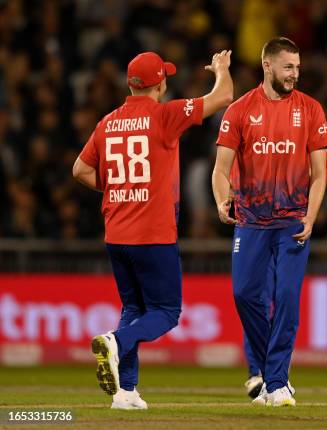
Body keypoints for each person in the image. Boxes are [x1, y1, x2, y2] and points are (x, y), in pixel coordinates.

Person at [72, 50, 233, 409]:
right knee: (165, 312)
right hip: (153, 234)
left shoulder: (107, 122)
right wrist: (221, 70)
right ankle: (115, 342)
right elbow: (223, 96)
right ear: (159, 83)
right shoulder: (165, 115)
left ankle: (125, 392)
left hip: (116, 235)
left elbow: (79, 171)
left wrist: (118, 187)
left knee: (133, 307)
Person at [212, 37, 327, 407]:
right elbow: (220, 167)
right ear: (268, 66)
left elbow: (320, 174)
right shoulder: (240, 110)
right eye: (288, 67)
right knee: (244, 294)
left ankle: (276, 381)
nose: (295, 74)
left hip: (292, 221)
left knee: (286, 298)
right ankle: (270, 370)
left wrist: (311, 216)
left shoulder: (311, 109)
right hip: (250, 220)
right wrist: (221, 199)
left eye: (297, 67)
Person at [243, 149, 327, 399]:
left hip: (290, 222)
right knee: (254, 297)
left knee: (283, 296)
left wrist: (297, 176)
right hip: (256, 221)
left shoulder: (306, 120)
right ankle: (261, 371)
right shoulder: (252, 121)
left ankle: (272, 374)